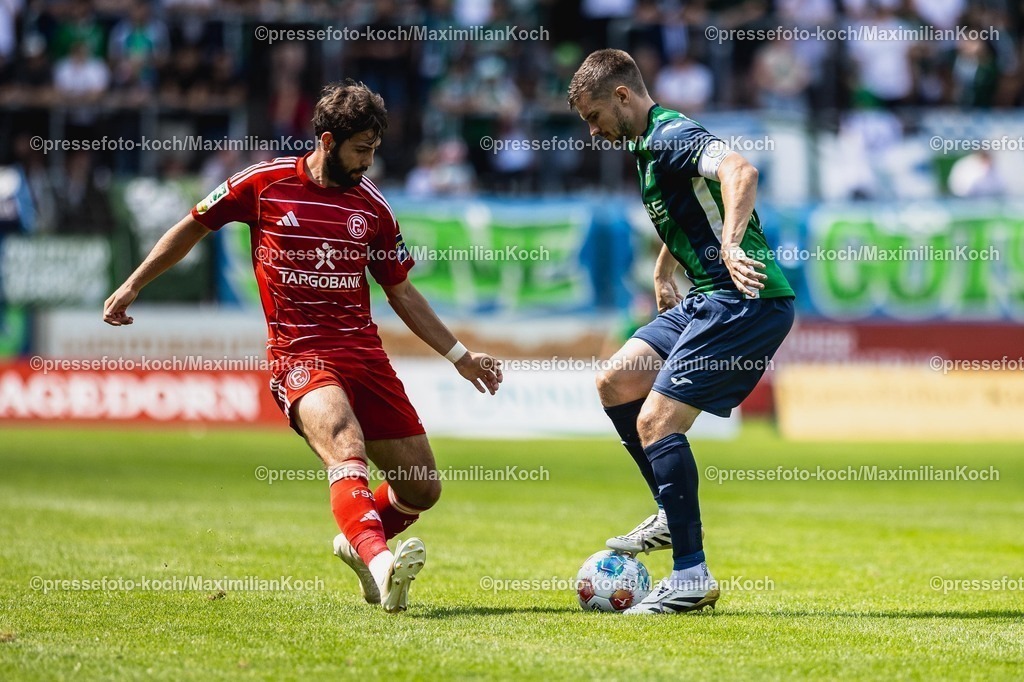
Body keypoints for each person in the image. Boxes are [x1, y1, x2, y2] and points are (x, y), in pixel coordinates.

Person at [103, 80, 503, 614]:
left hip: (364, 355)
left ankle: (358, 541)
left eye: (374, 150)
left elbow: (400, 289)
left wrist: (461, 357)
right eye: (361, 149)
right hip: (299, 354)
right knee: (344, 442)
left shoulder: (373, 209)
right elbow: (193, 227)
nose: (368, 161)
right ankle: (383, 567)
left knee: (422, 488)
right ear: (329, 140)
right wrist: (133, 285)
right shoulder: (263, 184)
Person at [568, 49, 795, 614]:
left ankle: (691, 575)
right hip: (704, 297)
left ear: (622, 96)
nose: (594, 133)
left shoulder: (672, 135)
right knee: (616, 382)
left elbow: (739, 172)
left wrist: (733, 243)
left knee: (655, 419)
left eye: (595, 117)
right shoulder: (646, 146)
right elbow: (693, 205)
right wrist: (667, 262)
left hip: (744, 299)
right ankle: (671, 512)